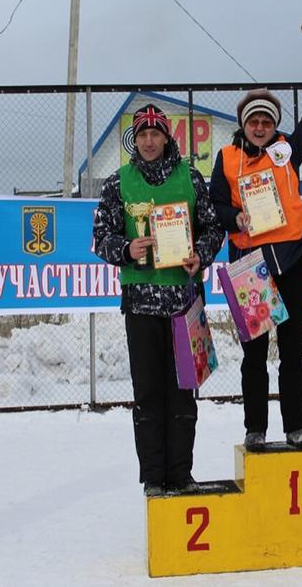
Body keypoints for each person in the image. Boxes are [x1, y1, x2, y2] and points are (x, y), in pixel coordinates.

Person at [93, 104, 224, 496]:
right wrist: (127, 248)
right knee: (148, 393)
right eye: (143, 135)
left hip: (185, 303)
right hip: (140, 305)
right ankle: (153, 477)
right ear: (136, 139)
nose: (150, 141)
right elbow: (100, 238)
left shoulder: (192, 178)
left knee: (184, 391)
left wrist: (201, 253)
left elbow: (214, 227)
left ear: (168, 138)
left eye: (157, 134)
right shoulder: (118, 183)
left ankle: (181, 474)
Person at [210, 49, 302, 451]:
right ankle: (255, 428)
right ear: (244, 125)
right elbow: (214, 205)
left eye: (266, 121)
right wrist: (235, 218)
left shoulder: (287, 151)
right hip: (249, 265)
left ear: (273, 125)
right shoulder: (227, 158)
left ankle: (296, 425)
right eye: (254, 122)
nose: (260, 127)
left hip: (291, 260)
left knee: (293, 347)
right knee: (254, 353)